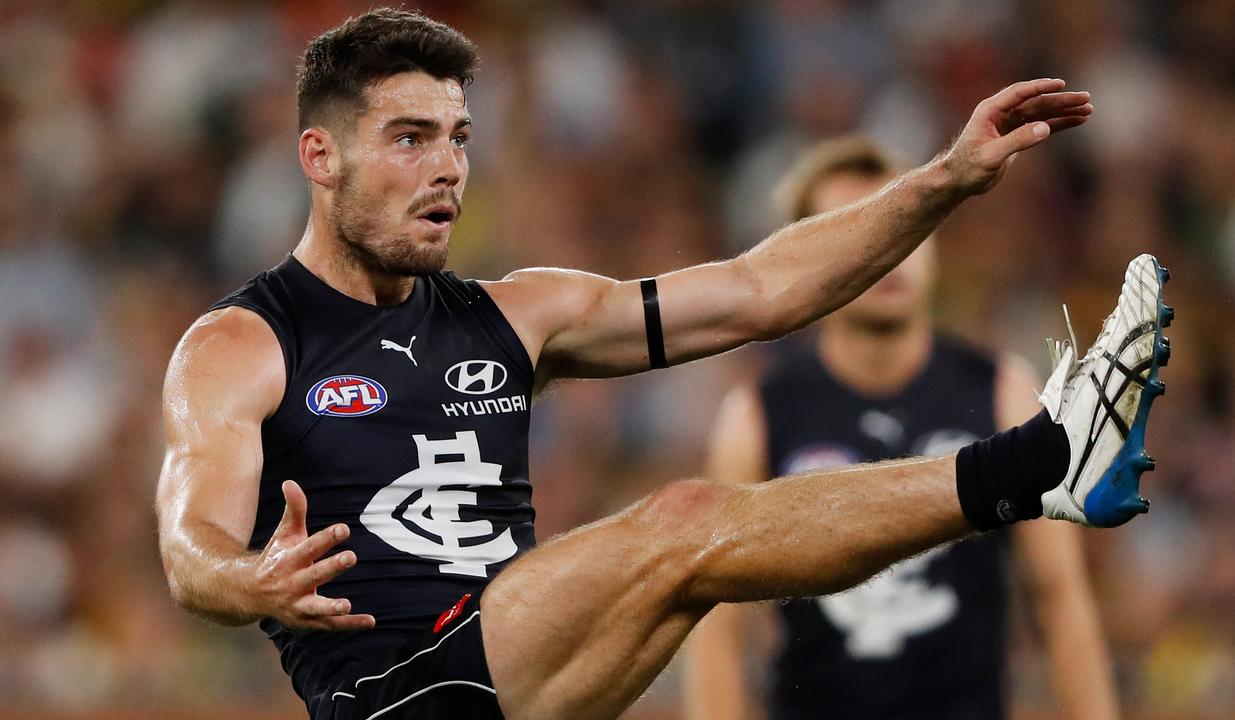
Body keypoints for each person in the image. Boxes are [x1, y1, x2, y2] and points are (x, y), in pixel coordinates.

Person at [155, 9, 1170, 720]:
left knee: (694, 559)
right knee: (685, 524)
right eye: (409, 139)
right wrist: (246, 576)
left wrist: (943, 180)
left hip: (514, 673)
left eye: (458, 139)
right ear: (318, 156)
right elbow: (186, 540)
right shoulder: (244, 341)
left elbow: (758, 290)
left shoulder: (519, 315)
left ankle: (1044, 466)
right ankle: (1040, 464)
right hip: (391, 695)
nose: (447, 169)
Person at [683, 136, 1120, 720]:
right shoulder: (756, 418)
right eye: (856, 233)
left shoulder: (1004, 396)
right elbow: (717, 626)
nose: (889, 253)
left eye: (906, 224)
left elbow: (1060, 599)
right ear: (802, 266)